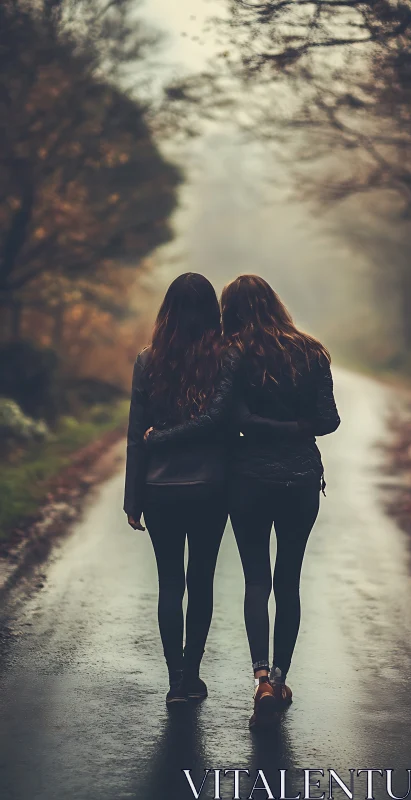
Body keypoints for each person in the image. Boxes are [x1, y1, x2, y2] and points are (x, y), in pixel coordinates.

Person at [149, 274, 340, 728]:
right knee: (288, 579)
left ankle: (259, 679)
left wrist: (258, 425)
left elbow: (227, 416)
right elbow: (328, 421)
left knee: (257, 579)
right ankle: (279, 676)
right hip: (300, 477)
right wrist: (295, 428)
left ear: (231, 311)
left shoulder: (232, 353)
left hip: (247, 479)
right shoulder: (312, 351)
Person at [123, 273, 230, 706]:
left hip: (159, 490)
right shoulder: (225, 359)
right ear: (212, 312)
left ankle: (174, 682)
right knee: (200, 581)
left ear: (167, 311)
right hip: (210, 489)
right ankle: (192, 675)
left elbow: (135, 435)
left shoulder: (148, 361)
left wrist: (133, 499)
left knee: (170, 584)